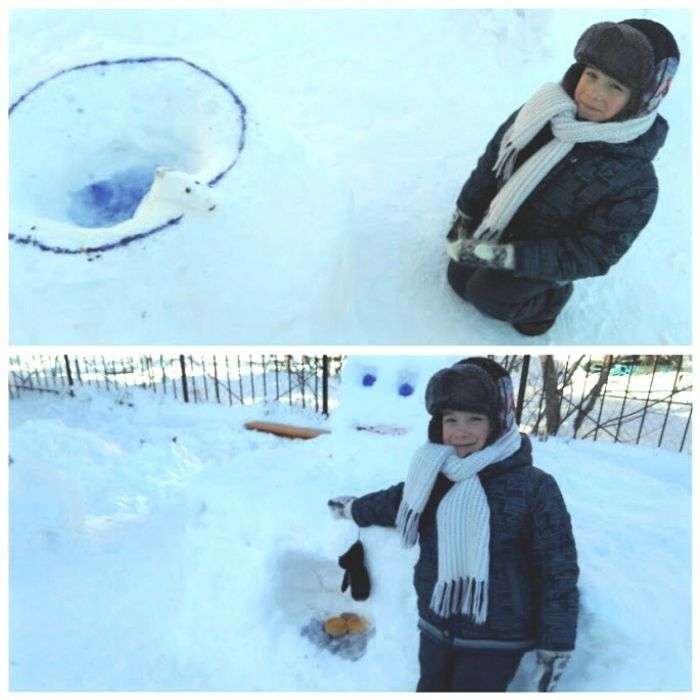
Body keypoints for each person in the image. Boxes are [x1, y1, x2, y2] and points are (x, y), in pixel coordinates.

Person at [328, 358, 579, 692]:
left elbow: (557, 567)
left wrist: (556, 645)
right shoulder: (435, 473)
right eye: (451, 419)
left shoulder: (533, 487)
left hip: (497, 637)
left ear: (499, 422)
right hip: (436, 624)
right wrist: (356, 508)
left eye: (475, 419)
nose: (461, 430)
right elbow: (397, 503)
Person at [444, 19, 680, 336]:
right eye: (592, 75)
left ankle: (548, 303)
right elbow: (492, 164)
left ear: (641, 100)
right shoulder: (541, 114)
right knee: (458, 279)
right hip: (502, 223)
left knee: (487, 296)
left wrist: (507, 258)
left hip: (545, 254)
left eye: (615, 87)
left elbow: (593, 253)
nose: (594, 93)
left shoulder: (635, 181)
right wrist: (466, 215)